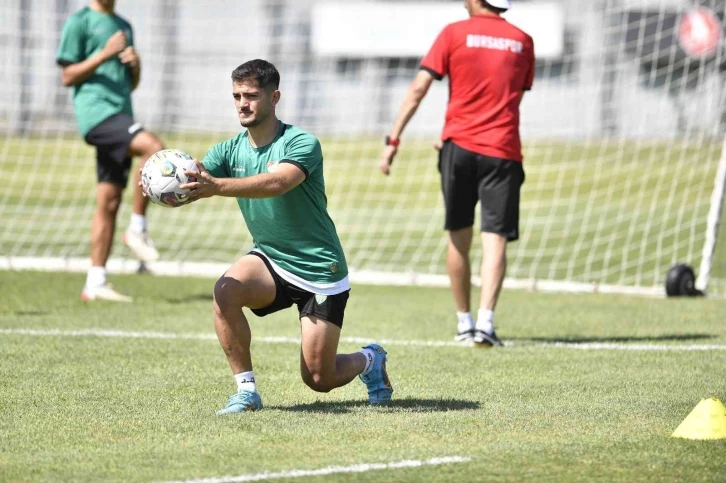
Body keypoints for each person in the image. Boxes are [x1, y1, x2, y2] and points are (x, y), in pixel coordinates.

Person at [178, 59, 393, 414]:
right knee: (225, 291)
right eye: (237, 96)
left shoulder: (302, 143)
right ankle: (246, 392)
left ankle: (370, 360)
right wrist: (164, 183)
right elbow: (193, 182)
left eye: (251, 95)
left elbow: (278, 182)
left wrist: (217, 187)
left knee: (319, 378)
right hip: (271, 259)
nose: (243, 104)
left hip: (319, 269)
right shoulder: (228, 150)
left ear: (274, 97)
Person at [379, 0, 535, 347]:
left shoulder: (453, 33)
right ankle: (486, 324)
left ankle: (464, 324)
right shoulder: (523, 41)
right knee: (495, 239)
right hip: (502, 149)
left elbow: (418, 89)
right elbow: (511, 98)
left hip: (458, 148)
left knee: (458, 237)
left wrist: (394, 139)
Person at [57, 0, 165, 302]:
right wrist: (104, 53)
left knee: (109, 201)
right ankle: (137, 229)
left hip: (120, 114)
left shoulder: (124, 26)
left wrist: (135, 65)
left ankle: (95, 281)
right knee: (154, 147)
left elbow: (131, 84)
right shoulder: (79, 22)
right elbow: (67, 76)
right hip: (97, 115)